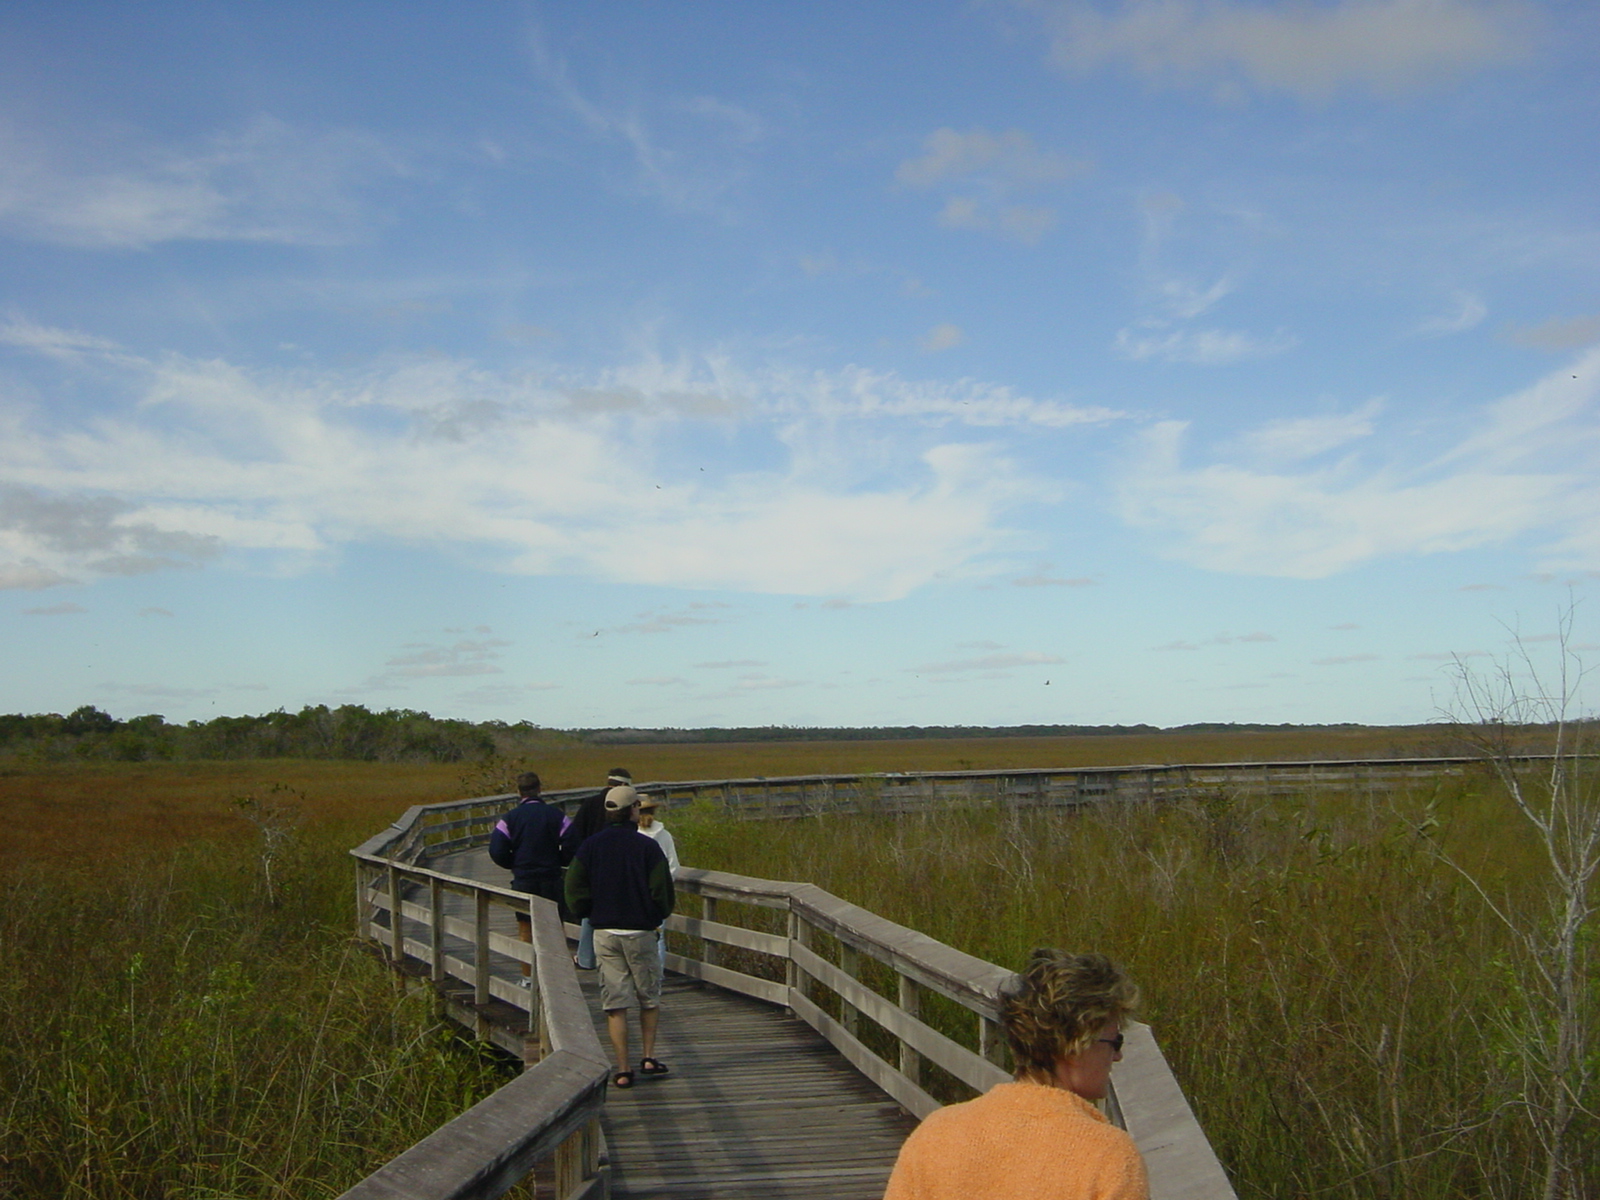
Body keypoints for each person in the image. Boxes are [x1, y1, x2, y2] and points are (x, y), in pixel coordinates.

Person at [882, 949, 1147, 1200]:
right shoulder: (1109, 1157)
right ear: (1074, 1046)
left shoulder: (935, 1134)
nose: (1117, 1056)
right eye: (1115, 1042)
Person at [564, 784, 675, 1090]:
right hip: (640, 932)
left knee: (615, 1003)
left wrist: (587, 911)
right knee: (648, 999)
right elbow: (662, 891)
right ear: (632, 811)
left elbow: (573, 887)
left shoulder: (591, 846)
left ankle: (623, 1069)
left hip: (605, 932)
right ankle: (649, 1057)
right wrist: (656, 915)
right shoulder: (647, 847)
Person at [486, 772, 565, 981]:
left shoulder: (510, 818)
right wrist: (559, 859)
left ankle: (528, 977)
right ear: (539, 789)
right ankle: (556, 978)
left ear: (519, 792)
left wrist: (513, 863)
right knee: (554, 930)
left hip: (524, 880)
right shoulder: (556, 816)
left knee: (525, 929)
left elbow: (496, 850)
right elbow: (573, 844)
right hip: (551, 878)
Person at [562, 767, 632, 970]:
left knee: (589, 913)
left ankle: (586, 958)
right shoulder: (623, 806)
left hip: (590, 865)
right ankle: (615, 958)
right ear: (624, 785)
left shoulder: (590, 803)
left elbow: (575, 833)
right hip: (618, 867)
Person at [635, 796, 679, 971]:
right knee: (658, 938)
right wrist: (663, 886)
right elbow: (673, 866)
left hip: (635, 894)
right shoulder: (664, 835)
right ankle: (657, 978)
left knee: (635, 938)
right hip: (658, 895)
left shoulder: (632, 835)